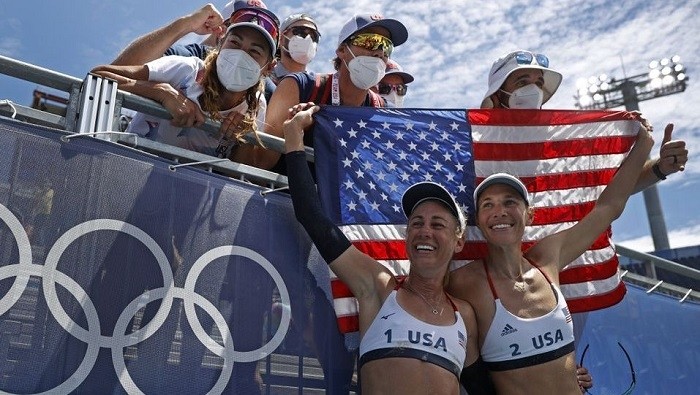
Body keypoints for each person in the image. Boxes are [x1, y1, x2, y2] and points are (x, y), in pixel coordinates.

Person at [282, 102, 496, 395]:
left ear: (459, 241)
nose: (425, 231)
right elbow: (312, 218)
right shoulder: (378, 288)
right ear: (407, 236)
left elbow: (483, 388)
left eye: (438, 224)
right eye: (416, 223)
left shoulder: (465, 315)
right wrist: (293, 136)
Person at [446, 117, 653, 394]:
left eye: (510, 202)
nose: (500, 211)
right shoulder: (465, 282)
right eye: (488, 205)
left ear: (529, 215)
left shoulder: (547, 260)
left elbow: (609, 207)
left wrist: (644, 145)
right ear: (479, 220)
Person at [481, 49, 688, 194]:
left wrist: (661, 167)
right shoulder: (470, 146)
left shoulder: (562, 142)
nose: (533, 90)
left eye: (539, 83)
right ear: (497, 96)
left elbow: (611, 189)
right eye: (523, 82)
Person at [91, 4, 279, 159]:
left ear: (269, 67)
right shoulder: (186, 69)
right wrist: (162, 92)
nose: (240, 55)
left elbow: (240, 169)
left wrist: (242, 138)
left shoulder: (256, 105)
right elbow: (99, 74)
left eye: (255, 51)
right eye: (235, 43)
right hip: (128, 167)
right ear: (220, 42)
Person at [234, 13, 408, 172]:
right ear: (342, 50)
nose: (379, 52)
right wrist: (294, 133)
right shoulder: (299, 87)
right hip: (284, 202)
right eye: (369, 42)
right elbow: (260, 163)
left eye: (386, 47)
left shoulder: (385, 112)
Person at [270, 13, 321, 85]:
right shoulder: (264, 77)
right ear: (281, 38)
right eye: (300, 32)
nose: (308, 39)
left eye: (314, 36)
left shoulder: (317, 87)